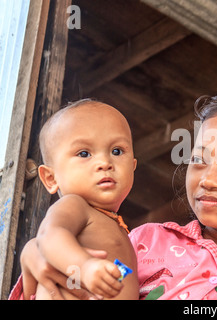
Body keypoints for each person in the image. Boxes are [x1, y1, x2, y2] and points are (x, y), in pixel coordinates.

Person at [12, 93, 217, 300]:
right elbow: (93, 282)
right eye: (199, 160)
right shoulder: (146, 244)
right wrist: (43, 253)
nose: (209, 180)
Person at [20, 99, 139, 299]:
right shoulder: (75, 205)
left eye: (116, 151)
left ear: (133, 166)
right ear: (50, 178)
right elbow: (49, 236)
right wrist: (84, 266)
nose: (104, 162)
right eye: (84, 153)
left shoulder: (114, 223)